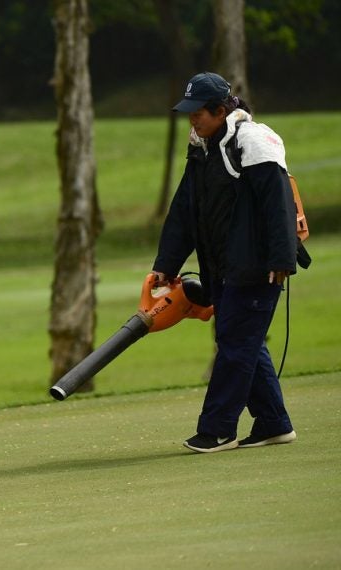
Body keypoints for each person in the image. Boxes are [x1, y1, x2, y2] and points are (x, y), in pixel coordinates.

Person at [152, 72, 303, 453]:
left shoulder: (253, 141)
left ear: (221, 110)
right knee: (241, 340)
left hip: (258, 265)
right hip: (219, 266)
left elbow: (278, 203)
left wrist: (282, 258)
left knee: (235, 343)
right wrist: (167, 264)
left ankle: (218, 429)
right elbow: (186, 210)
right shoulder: (201, 146)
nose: (192, 120)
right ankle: (272, 424)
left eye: (198, 113)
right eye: (188, 114)